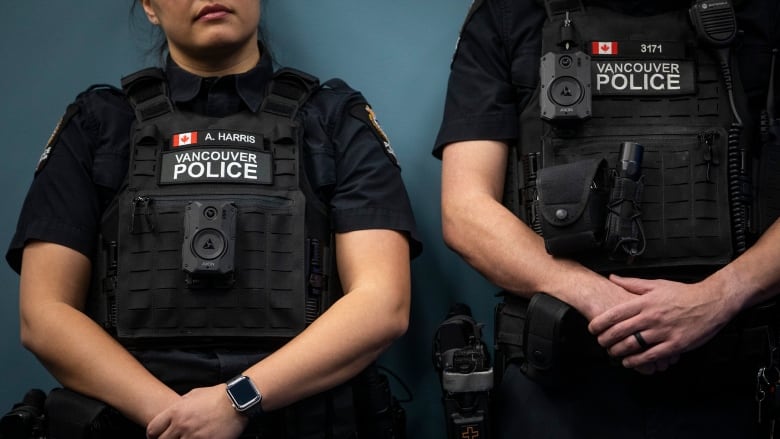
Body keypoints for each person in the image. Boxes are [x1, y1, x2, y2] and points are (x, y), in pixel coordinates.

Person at [6, 1, 421, 438]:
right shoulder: (99, 124)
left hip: (303, 419)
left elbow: (382, 303)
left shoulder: (334, 121)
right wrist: (179, 420)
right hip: (141, 423)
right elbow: (44, 314)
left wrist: (236, 403)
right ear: (149, 6)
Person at [435, 0, 780, 437]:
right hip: (558, 382)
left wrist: (720, 295)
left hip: (731, 379)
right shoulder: (510, 15)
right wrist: (604, 304)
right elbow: (465, 213)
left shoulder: (762, 16)